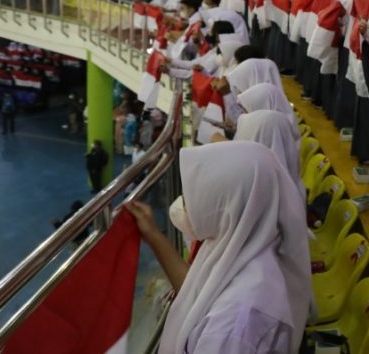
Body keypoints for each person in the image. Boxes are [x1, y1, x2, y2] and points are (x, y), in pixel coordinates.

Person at [125, 142, 309, 354]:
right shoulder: (249, 247)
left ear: (225, 207)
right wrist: (155, 236)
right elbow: (201, 294)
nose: (184, 205)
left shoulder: (232, 329)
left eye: (191, 198)